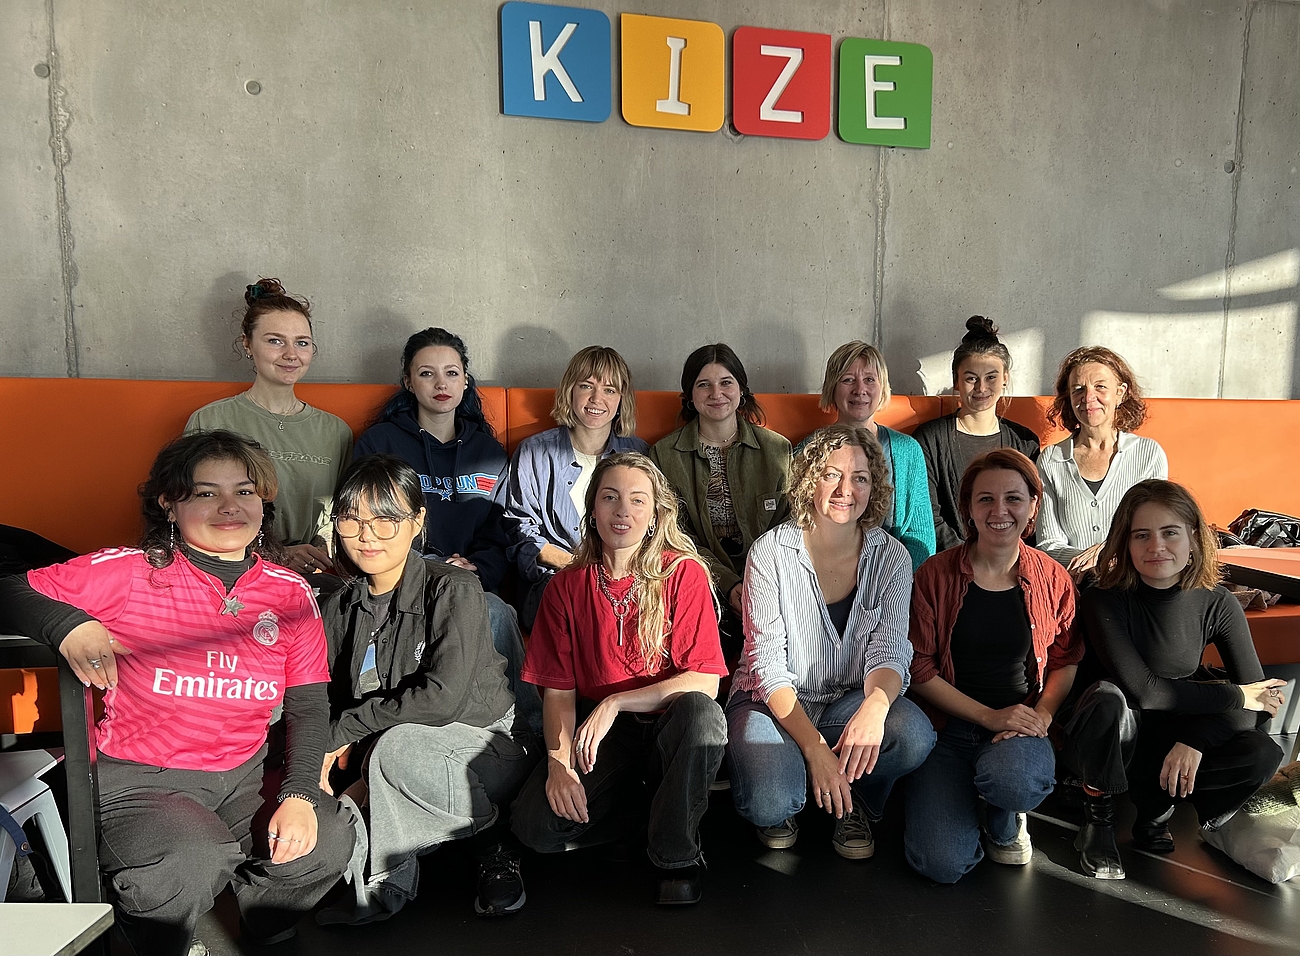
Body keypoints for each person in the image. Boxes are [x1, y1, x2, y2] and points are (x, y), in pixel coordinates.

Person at [0, 431, 352, 956]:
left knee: (327, 839)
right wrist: (69, 625)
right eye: (207, 493)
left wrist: (299, 795)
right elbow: (9, 588)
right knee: (190, 862)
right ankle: (148, 936)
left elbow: (306, 704)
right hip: (142, 780)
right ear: (170, 502)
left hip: (244, 775)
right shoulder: (130, 571)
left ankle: (266, 922)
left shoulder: (288, 590)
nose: (230, 507)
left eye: (246, 491)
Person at [314, 455, 537, 924]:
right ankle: (397, 865)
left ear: (417, 521)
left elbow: (441, 698)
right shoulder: (339, 603)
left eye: (385, 519)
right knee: (357, 787)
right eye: (351, 520)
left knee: (398, 750)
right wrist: (319, 754)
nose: (367, 535)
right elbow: (323, 693)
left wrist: (345, 733)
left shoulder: (453, 588)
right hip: (387, 748)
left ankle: (492, 842)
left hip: (483, 747)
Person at [509, 453, 728, 906]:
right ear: (592, 510)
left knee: (703, 715)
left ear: (654, 514)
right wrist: (559, 765)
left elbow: (704, 682)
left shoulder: (682, 573)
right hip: (604, 737)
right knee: (535, 826)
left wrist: (617, 703)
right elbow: (558, 693)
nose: (622, 511)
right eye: (610, 498)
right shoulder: (566, 587)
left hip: (671, 727)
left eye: (636, 500)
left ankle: (675, 855)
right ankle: (639, 815)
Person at [1056, 480, 1285, 881]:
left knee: (1261, 752)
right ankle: (1099, 822)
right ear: (1124, 543)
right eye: (1141, 535)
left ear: (1194, 537)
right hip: (1108, 733)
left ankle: (1155, 810)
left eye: (1170, 532)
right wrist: (1234, 696)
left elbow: (1262, 703)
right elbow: (1146, 691)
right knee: (1112, 698)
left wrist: (1197, 740)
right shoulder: (1103, 595)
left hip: (1173, 731)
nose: (1155, 546)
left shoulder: (1217, 601)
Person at [727, 425, 935, 858]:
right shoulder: (769, 553)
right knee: (771, 801)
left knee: (911, 733)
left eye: (860, 477)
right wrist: (815, 747)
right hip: (772, 700)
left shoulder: (892, 557)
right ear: (808, 480)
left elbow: (891, 650)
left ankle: (851, 795)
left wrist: (875, 708)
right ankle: (804, 783)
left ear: (873, 486)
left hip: (847, 700)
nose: (846, 489)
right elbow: (766, 666)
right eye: (831, 474)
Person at [904, 448, 1082, 883]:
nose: (999, 511)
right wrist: (988, 715)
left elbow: (1065, 658)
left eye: (1013, 499)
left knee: (1014, 782)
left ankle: (1004, 818)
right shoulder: (934, 574)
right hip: (947, 727)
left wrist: (1040, 716)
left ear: (1033, 506)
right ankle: (965, 791)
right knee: (940, 864)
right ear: (967, 508)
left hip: (1020, 722)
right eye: (985, 499)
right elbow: (920, 667)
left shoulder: (1052, 576)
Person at [353, 327, 540, 734]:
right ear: (407, 382)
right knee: (488, 608)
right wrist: (436, 567)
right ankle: (526, 732)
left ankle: (532, 734)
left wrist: (476, 567)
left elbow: (501, 530)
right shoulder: (380, 444)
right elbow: (367, 523)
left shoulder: (488, 452)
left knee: (494, 608)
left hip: (470, 581)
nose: (441, 384)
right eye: (427, 373)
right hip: (403, 579)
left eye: (452, 373)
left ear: (466, 380)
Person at [186, 278, 353, 580]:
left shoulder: (336, 431)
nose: (291, 354)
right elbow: (193, 511)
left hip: (313, 576)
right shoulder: (209, 421)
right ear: (248, 344)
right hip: (229, 571)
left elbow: (343, 512)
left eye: (301, 342)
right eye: (275, 341)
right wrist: (274, 554)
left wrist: (318, 549)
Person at [650, 343, 791, 657]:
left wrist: (757, 582)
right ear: (690, 395)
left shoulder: (777, 450)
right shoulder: (663, 455)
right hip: (698, 581)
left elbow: (790, 526)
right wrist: (727, 583)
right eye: (704, 384)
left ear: (742, 389)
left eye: (726, 382)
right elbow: (673, 535)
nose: (717, 393)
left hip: (770, 580)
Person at [500, 346, 648, 628]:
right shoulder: (534, 453)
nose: (596, 399)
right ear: (570, 390)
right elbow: (521, 533)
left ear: (621, 399)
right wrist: (581, 567)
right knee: (587, 602)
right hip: (553, 581)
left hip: (626, 580)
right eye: (586, 386)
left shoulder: (638, 455)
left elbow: (653, 524)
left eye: (609, 389)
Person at [794, 342, 935, 569]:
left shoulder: (908, 450)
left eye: (869, 379)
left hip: (894, 576)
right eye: (848, 379)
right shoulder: (807, 450)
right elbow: (798, 524)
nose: (860, 389)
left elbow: (921, 536)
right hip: (825, 573)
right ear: (832, 387)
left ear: (882, 388)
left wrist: (895, 578)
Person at [1035, 346, 1168, 576]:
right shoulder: (1050, 460)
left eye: (1100, 387)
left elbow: (1155, 533)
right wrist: (1091, 559)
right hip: (1075, 586)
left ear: (1121, 393)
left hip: (1135, 585)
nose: (1088, 398)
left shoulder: (1148, 454)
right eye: (1078, 389)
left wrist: (1106, 553)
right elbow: (1048, 545)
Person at [912, 316, 1039, 552]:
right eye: (971, 378)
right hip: (950, 563)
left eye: (991, 377)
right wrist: (969, 559)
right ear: (957, 382)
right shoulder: (929, 439)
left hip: (1011, 564)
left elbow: (1030, 515)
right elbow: (929, 515)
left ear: (1005, 379)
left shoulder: (1025, 442)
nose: (981, 388)